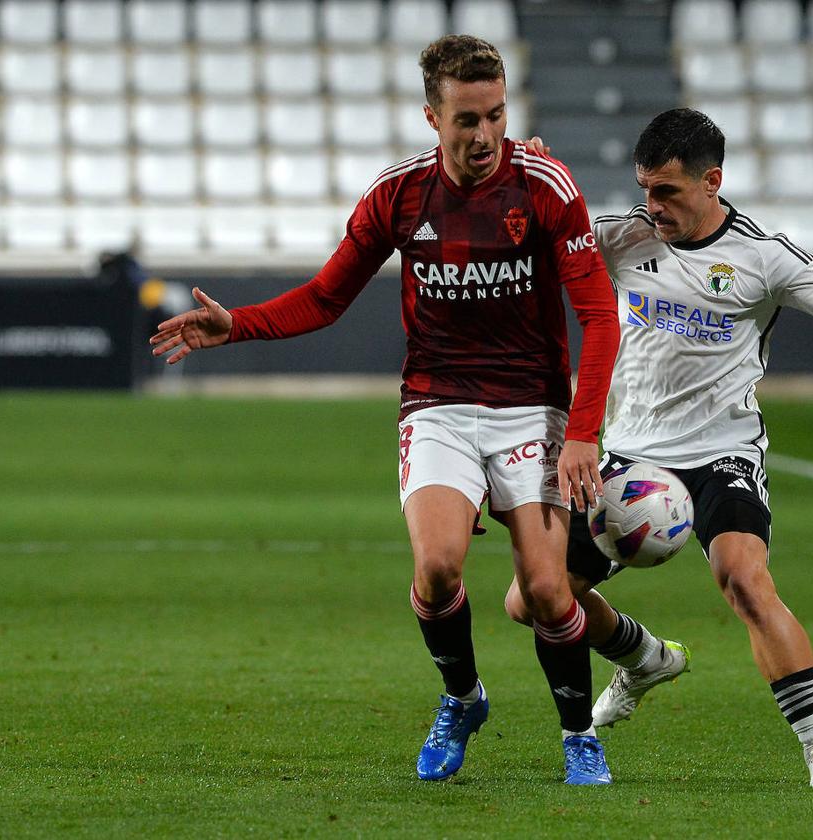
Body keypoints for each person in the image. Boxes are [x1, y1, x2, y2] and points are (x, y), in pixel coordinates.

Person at [150, 36, 619, 786]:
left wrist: (584, 432)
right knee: (436, 569)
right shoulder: (398, 195)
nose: (484, 136)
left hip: (531, 408)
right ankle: (463, 698)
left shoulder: (546, 186)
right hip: (436, 403)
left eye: (496, 115)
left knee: (545, 589)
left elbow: (599, 313)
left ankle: (577, 736)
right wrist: (237, 324)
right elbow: (327, 297)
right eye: (467, 119)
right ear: (432, 116)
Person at [506, 109, 813, 789]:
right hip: (627, 455)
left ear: (713, 182)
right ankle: (645, 656)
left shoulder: (765, 257)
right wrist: (524, 179)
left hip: (721, 452)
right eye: (646, 189)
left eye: (668, 193)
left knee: (744, 578)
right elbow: (523, 243)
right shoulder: (619, 237)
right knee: (532, 600)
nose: (652, 206)